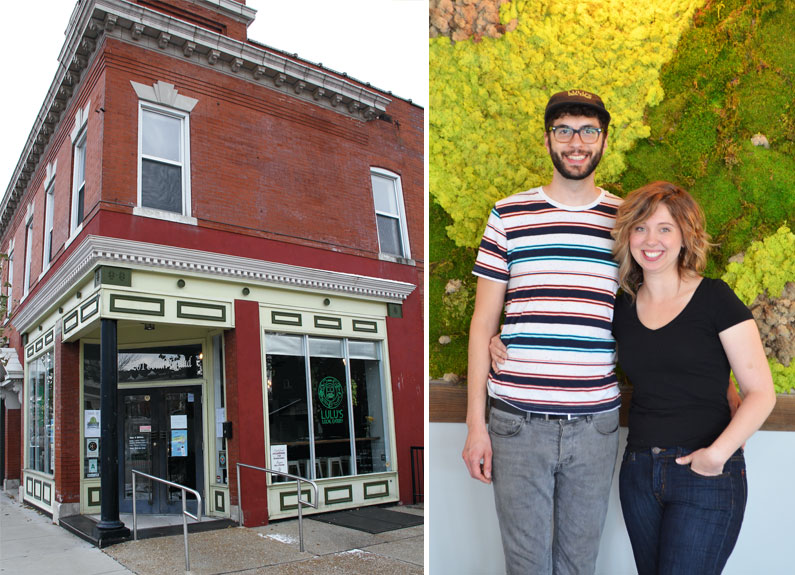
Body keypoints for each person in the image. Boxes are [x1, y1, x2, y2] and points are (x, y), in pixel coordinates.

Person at [462, 89, 623, 575]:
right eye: (565, 130)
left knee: (579, 566)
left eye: (588, 130)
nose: (577, 142)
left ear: (604, 139)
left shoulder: (627, 221)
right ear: (548, 138)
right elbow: (482, 322)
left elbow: (650, 310)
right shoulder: (508, 214)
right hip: (516, 421)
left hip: (596, 424)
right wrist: (476, 425)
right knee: (526, 566)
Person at [609, 181, 775, 574]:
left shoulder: (715, 298)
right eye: (641, 227)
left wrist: (716, 456)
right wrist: (501, 340)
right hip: (638, 473)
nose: (651, 240)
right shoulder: (622, 307)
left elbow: (761, 392)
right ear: (628, 235)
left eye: (665, 228)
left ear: (685, 237)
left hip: (706, 473)